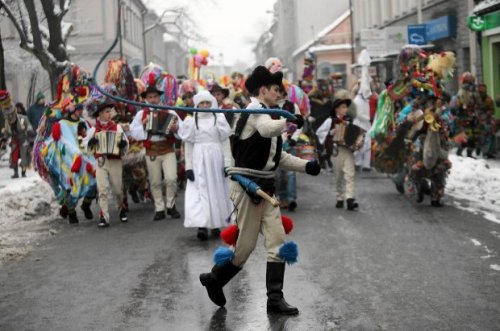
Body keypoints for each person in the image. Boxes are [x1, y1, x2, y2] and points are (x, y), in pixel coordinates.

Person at [199, 66, 321, 315]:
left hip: (266, 188)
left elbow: (277, 156)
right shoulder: (255, 111)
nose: (280, 94)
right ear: (263, 90)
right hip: (247, 189)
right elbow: (267, 129)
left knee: (277, 240)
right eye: (277, 90)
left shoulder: (267, 113)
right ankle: (215, 279)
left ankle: (274, 299)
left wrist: (306, 166)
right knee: (244, 248)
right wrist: (288, 120)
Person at [178, 91, 233, 240]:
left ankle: (216, 224)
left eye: (207, 103)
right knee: (199, 190)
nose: (204, 106)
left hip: (216, 159)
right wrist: (189, 166)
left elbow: (225, 142)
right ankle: (201, 225)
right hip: (199, 160)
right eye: (201, 103)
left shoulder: (219, 118)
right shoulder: (191, 121)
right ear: (197, 104)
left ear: (212, 104)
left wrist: (227, 164)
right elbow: (189, 144)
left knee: (216, 191)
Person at [130, 80, 182, 220]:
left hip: (167, 148)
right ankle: (159, 208)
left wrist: (175, 128)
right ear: (146, 99)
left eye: (155, 96)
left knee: (171, 178)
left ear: (159, 97)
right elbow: (133, 133)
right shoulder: (141, 114)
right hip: (151, 150)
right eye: (150, 97)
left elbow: (181, 130)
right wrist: (144, 126)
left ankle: (171, 206)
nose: (153, 99)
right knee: (155, 181)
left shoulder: (170, 111)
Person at [84, 98, 129, 227]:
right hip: (101, 160)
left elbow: (125, 143)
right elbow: (86, 144)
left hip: (115, 160)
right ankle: (104, 216)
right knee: (102, 189)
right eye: (106, 112)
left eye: (110, 111)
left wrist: (122, 144)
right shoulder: (94, 130)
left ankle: (121, 209)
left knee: (117, 189)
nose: (109, 114)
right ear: (100, 114)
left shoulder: (117, 127)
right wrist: (91, 143)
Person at [316, 97, 359, 210]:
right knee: (338, 176)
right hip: (336, 151)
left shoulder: (349, 120)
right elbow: (319, 132)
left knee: (350, 174)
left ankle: (350, 199)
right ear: (337, 109)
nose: (345, 109)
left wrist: (357, 142)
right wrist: (331, 132)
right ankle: (339, 197)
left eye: (346, 107)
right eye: (343, 107)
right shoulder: (330, 121)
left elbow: (355, 135)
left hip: (348, 150)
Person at [1, 91, 34, 178]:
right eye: (9, 116)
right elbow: (7, 132)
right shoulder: (7, 122)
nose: (10, 117)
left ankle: (23, 172)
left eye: (11, 115)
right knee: (14, 156)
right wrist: (4, 140)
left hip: (23, 139)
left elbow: (29, 127)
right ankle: (15, 173)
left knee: (24, 156)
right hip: (14, 140)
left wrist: (30, 138)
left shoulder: (22, 119)